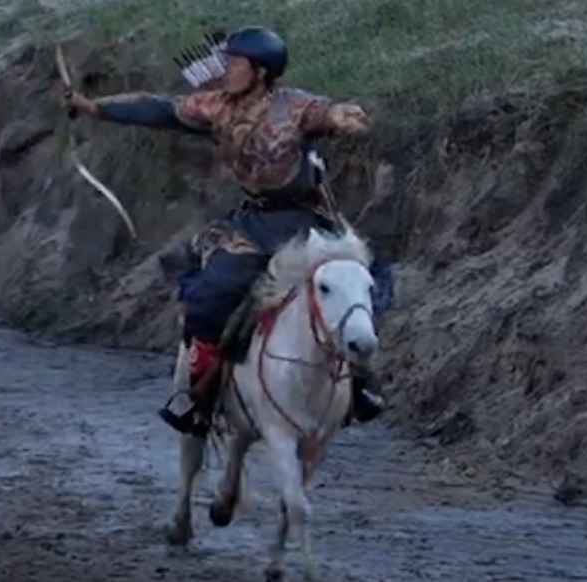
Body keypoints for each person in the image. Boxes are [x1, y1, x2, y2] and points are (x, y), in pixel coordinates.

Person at [62, 26, 389, 438]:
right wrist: (93, 107)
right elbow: (157, 109)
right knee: (212, 294)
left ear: (262, 72)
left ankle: (359, 383)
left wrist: (346, 117)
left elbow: (333, 115)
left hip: (309, 221)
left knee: (363, 279)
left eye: (235, 63)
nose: (226, 69)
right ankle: (204, 393)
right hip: (254, 221)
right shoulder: (214, 106)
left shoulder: (296, 106)